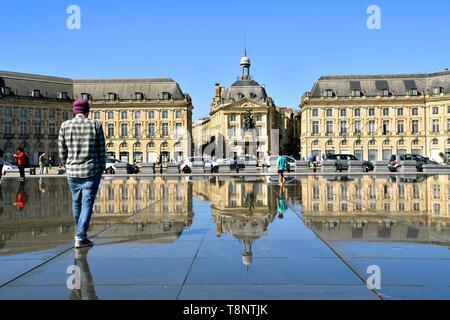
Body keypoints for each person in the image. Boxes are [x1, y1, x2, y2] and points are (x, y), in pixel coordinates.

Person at [59, 98, 105, 249]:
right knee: (87, 204)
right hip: (91, 170)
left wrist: (67, 164)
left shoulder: (65, 126)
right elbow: (100, 150)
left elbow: (62, 150)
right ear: (87, 110)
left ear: (74, 110)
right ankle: (80, 236)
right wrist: (101, 166)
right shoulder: (95, 125)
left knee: (76, 202)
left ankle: (80, 234)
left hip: (72, 171)